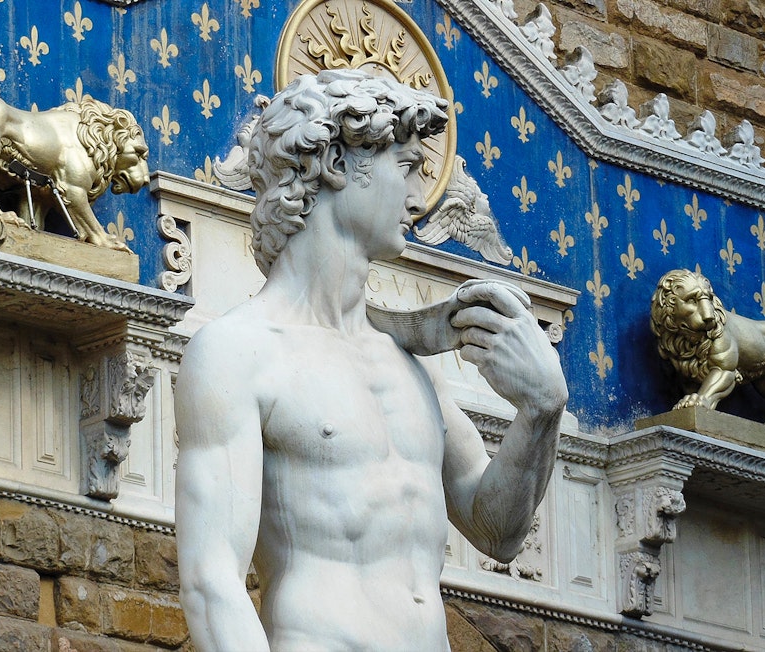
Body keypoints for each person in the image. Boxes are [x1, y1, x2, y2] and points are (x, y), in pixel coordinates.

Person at [175, 69, 567, 651]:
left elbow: (498, 531)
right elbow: (212, 583)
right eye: (406, 167)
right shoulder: (239, 353)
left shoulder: (410, 366)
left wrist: (541, 409)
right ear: (335, 164)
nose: (420, 199)